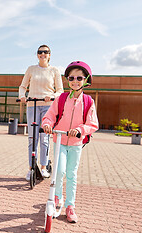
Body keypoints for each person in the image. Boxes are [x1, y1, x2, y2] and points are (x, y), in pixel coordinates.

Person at [42, 61, 99, 223]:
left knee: (71, 174)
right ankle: (57, 198)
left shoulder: (88, 101)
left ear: (86, 80)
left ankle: (70, 205)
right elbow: (50, 115)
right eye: (71, 78)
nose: (75, 81)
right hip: (59, 139)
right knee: (59, 172)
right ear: (67, 79)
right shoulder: (61, 99)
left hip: (76, 143)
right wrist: (47, 124)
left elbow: (92, 123)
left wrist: (80, 130)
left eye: (79, 78)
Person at [18, 45, 63, 181]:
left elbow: (60, 90)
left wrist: (53, 96)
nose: (42, 54)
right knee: (32, 138)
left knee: (44, 138)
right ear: (37, 54)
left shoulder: (54, 70)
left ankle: (43, 167)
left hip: (48, 106)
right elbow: (23, 86)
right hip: (32, 105)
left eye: (45, 52)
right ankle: (31, 168)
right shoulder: (31, 69)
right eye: (40, 52)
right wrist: (22, 96)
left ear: (50, 55)